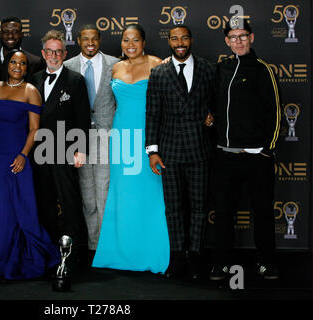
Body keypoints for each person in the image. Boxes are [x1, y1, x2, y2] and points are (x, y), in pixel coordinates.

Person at [0, 50, 60, 280]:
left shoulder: (31, 91)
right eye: (14, 62)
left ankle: (0, 258)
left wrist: (23, 155)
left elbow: (34, 129)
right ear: (7, 65)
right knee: (3, 204)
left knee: (15, 207)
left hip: (18, 156)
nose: (18, 66)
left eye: (23, 63)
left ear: (27, 68)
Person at [92, 24, 170, 274]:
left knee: (150, 194)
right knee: (122, 194)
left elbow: (167, 103)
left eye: (135, 40)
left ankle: (151, 250)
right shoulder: (116, 67)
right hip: (122, 137)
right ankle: (121, 251)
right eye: (126, 40)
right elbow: (106, 105)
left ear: (144, 42)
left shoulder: (158, 64)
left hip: (149, 138)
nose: (130, 45)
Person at [209, 19, 281, 281]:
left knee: (262, 212)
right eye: (233, 37)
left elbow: (276, 112)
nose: (238, 41)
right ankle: (220, 264)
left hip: (256, 158)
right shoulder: (221, 69)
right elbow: (210, 106)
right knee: (224, 213)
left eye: (242, 36)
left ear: (251, 38)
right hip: (225, 157)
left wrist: (267, 150)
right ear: (226, 41)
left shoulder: (263, 70)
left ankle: (267, 263)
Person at [145, 25, 215, 279]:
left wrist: (212, 118)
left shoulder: (208, 69)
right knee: (173, 208)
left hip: (199, 149)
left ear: (191, 39)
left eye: (184, 37)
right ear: (169, 42)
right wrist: (152, 151)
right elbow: (152, 113)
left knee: (198, 207)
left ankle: (195, 257)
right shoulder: (159, 72)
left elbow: (217, 104)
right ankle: (176, 258)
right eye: (175, 38)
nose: (180, 42)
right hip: (169, 151)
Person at [31, 30, 91, 271]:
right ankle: (48, 250)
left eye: (59, 51)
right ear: (43, 53)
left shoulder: (75, 80)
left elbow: (83, 117)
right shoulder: (33, 79)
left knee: (70, 202)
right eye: (50, 51)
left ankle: (74, 253)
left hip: (65, 149)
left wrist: (81, 149)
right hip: (39, 152)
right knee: (44, 202)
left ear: (65, 54)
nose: (54, 55)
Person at [63, 24, 120, 261]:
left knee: (104, 192)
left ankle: (106, 246)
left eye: (94, 39)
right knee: (87, 195)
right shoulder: (68, 66)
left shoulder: (115, 63)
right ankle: (93, 247)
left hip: (107, 135)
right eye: (85, 39)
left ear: (100, 40)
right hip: (80, 138)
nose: (90, 43)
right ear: (78, 40)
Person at [0, 16, 46, 83]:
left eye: (15, 32)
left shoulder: (35, 63)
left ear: (21, 34)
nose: (10, 36)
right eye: (6, 32)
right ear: (0, 34)